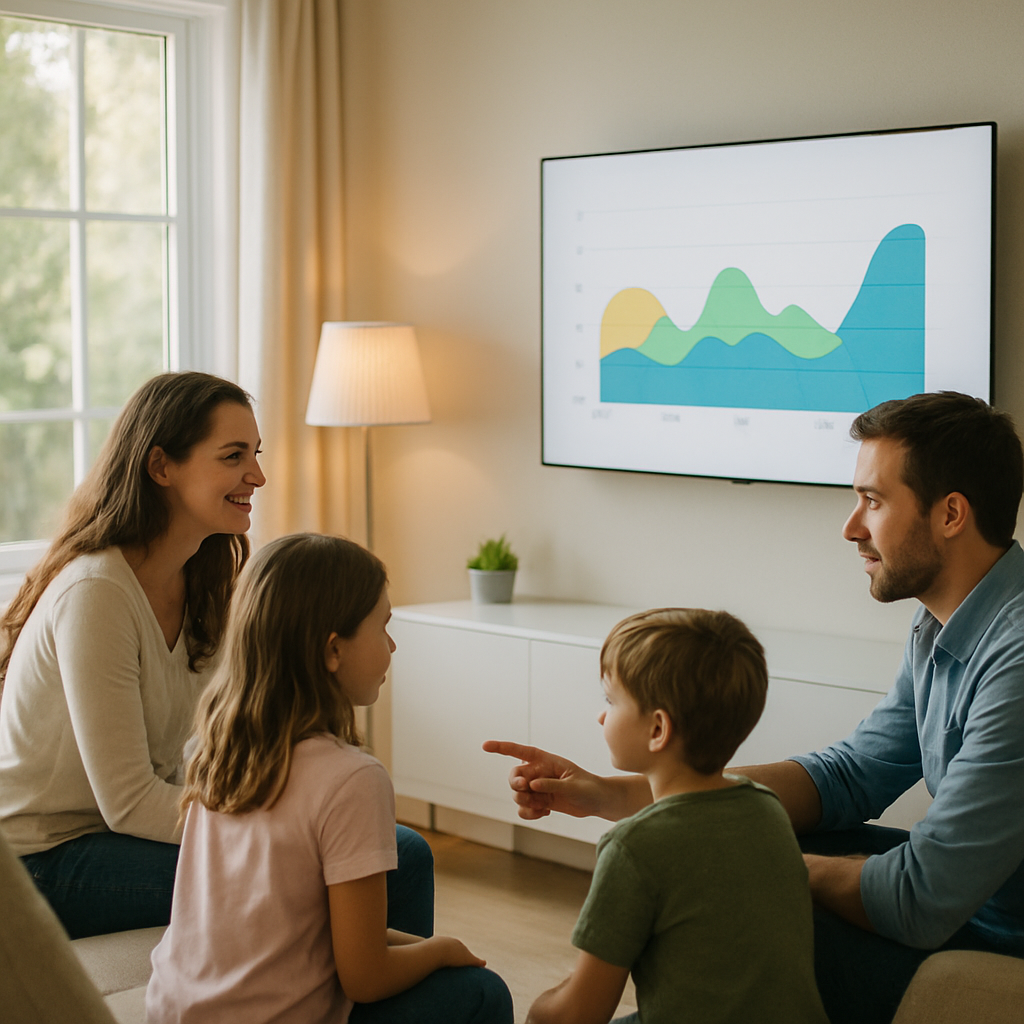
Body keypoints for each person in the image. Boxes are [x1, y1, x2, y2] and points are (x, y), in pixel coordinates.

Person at [487, 391, 1024, 1024]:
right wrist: (612, 793)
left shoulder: (1015, 658)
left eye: (873, 501)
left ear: (951, 514)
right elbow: (848, 776)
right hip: (962, 895)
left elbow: (919, 897)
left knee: (735, 888)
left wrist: (753, 862)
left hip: (993, 927)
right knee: (766, 831)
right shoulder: (939, 624)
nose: (851, 527)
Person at [147, 533, 513, 1024]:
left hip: (176, 1013)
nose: (392, 645)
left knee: (409, 859)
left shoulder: (215, 747)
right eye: (383, 627)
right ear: (333, 650)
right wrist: (441, 949)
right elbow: (364, 977)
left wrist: (411, 947)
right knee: (482, 993)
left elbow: (291, 922)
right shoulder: (352, 779)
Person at [0, 371, 265, 938]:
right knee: (290, 870)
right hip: (40, 860)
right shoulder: (96, 592)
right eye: (233, 455)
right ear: (161, 466)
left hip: (116, 836)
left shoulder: (203, 584)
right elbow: (127, 802)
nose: (257, 475)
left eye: (255, 454)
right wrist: (269, 829)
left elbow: (206, 748)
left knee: (392, 850)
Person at [525, 608, 828, 1024]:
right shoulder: (766, 807)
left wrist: (536, 1010)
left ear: (657, 730)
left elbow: (578, 1014)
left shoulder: (634, 848)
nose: (601, 715)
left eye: (610, 701)